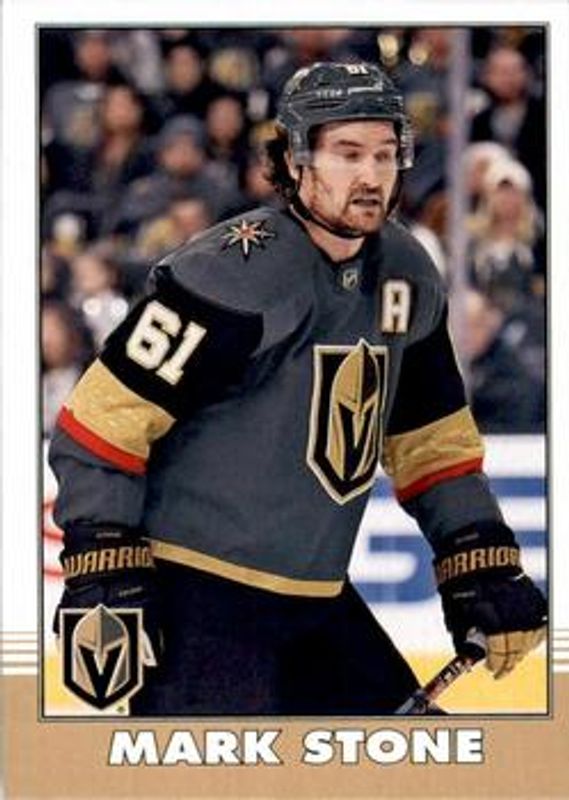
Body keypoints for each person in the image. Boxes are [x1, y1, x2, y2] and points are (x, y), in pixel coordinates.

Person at [49, 61, 546, 716]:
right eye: (347, 154)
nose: (370, 175)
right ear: (293, 159)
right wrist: (103, 561)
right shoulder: (234, 272)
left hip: (316, 603)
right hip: (197, 600)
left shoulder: (406, 272)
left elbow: (433, 441)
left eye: (384, 154)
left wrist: (476, 550)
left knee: (421, 765)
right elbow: (100, 423)